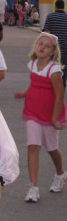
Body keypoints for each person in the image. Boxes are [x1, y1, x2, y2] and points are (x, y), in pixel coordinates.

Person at [14, 32, 67, 203]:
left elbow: (59, 96)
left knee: (52, 148)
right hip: (32, 111)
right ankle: (33, 187)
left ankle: (60, 174)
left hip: (50, 114)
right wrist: (24, 93)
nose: (42, 47)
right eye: (40, 44)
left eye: (47, 46)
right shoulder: (33, 64)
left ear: (52, 52)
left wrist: (54, 118)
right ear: (35, 47)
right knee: (33, 146)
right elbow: (34, 85)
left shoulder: (54, 70)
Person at [43, 0, 67, 89]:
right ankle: (62, 85)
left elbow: (46, 32)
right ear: (63, 7)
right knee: (64, 69)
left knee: (52, 68)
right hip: (65, 48)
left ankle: (52, 86)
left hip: (53, 49)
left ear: (55, 6)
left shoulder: (50, 17)